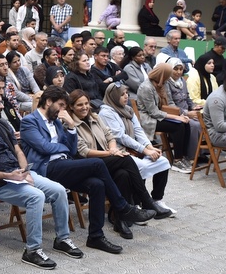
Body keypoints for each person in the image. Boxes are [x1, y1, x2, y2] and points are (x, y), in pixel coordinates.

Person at [19, 87, 156, 254]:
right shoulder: (29, 121)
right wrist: (62, 148)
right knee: (97, 164)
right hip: (46, 169)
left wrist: (70, 125)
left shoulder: (56, 121)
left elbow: (70, 149)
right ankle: (123, 208)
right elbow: (44, 147)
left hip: (64, 165)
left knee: (97, 184)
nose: (63, 110)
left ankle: (95, 237)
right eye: (61, 105)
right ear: (48, 102)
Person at [0, 86, 83, 269]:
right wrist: (9, 175)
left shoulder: (1, 124)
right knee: (36, 196)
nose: (2, 106)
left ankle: (62, 239)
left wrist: (24, 171)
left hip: (18, 174)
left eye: (2, 101)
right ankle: (32, 251)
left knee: (58, 190)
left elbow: (18, 150)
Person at [70, 90, 171, 239]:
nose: (85, 107)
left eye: (86, 103)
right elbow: (84, 151)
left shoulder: (95, 117)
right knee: (126, 159)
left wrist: (112, 148)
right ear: (71, 107)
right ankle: (146, 201)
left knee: (123, 174)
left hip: (106, 159)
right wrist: (111, 153)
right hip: (88, 163)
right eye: (80, 105)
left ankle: (120, 219)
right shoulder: (71, 124)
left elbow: (110, 135)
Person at [96, 85, 175, 215]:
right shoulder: (106, 113)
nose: (126, 96)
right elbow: (121, 136)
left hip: (135, 149)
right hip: (119, 151)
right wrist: (145, 150)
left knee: (163, 162)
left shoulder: (127, 109)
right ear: (113, 96)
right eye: (122, 94)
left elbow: (138, 131)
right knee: (141, 167)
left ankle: (156, 199)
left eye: (127, 93)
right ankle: (138, 204)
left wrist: (149, 147)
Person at [136, 63, 194, 174]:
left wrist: (180, 114)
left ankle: (183, 155)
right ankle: (177, 160)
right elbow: (153, 112)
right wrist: (176, 117)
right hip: (149, 119)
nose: (169, 77)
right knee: (178, 126)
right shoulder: (146, 87)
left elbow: (170, 102)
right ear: (162, 74)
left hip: (161, 114)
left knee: (186, 122)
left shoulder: (163, 83)